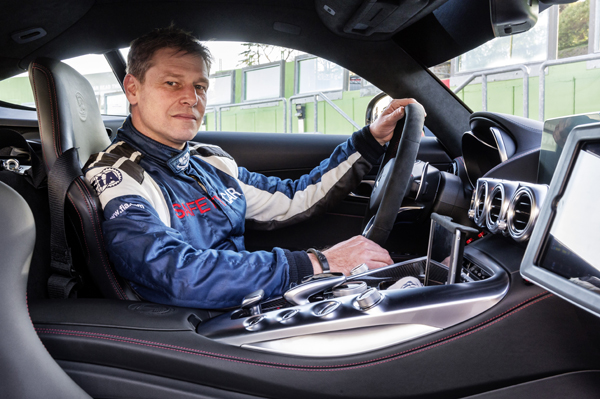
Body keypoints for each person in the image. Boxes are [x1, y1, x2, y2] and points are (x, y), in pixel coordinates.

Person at [84, 27, 424, 309]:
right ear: (133, 88)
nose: (191, 98)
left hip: (250, 304)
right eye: (172, 83)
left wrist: (368, 141)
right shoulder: (119, 176)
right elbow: (171, 271)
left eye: (199, 86)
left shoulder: (209, 161)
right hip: (196, 328)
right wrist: (316, 263)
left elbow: (294, 199)